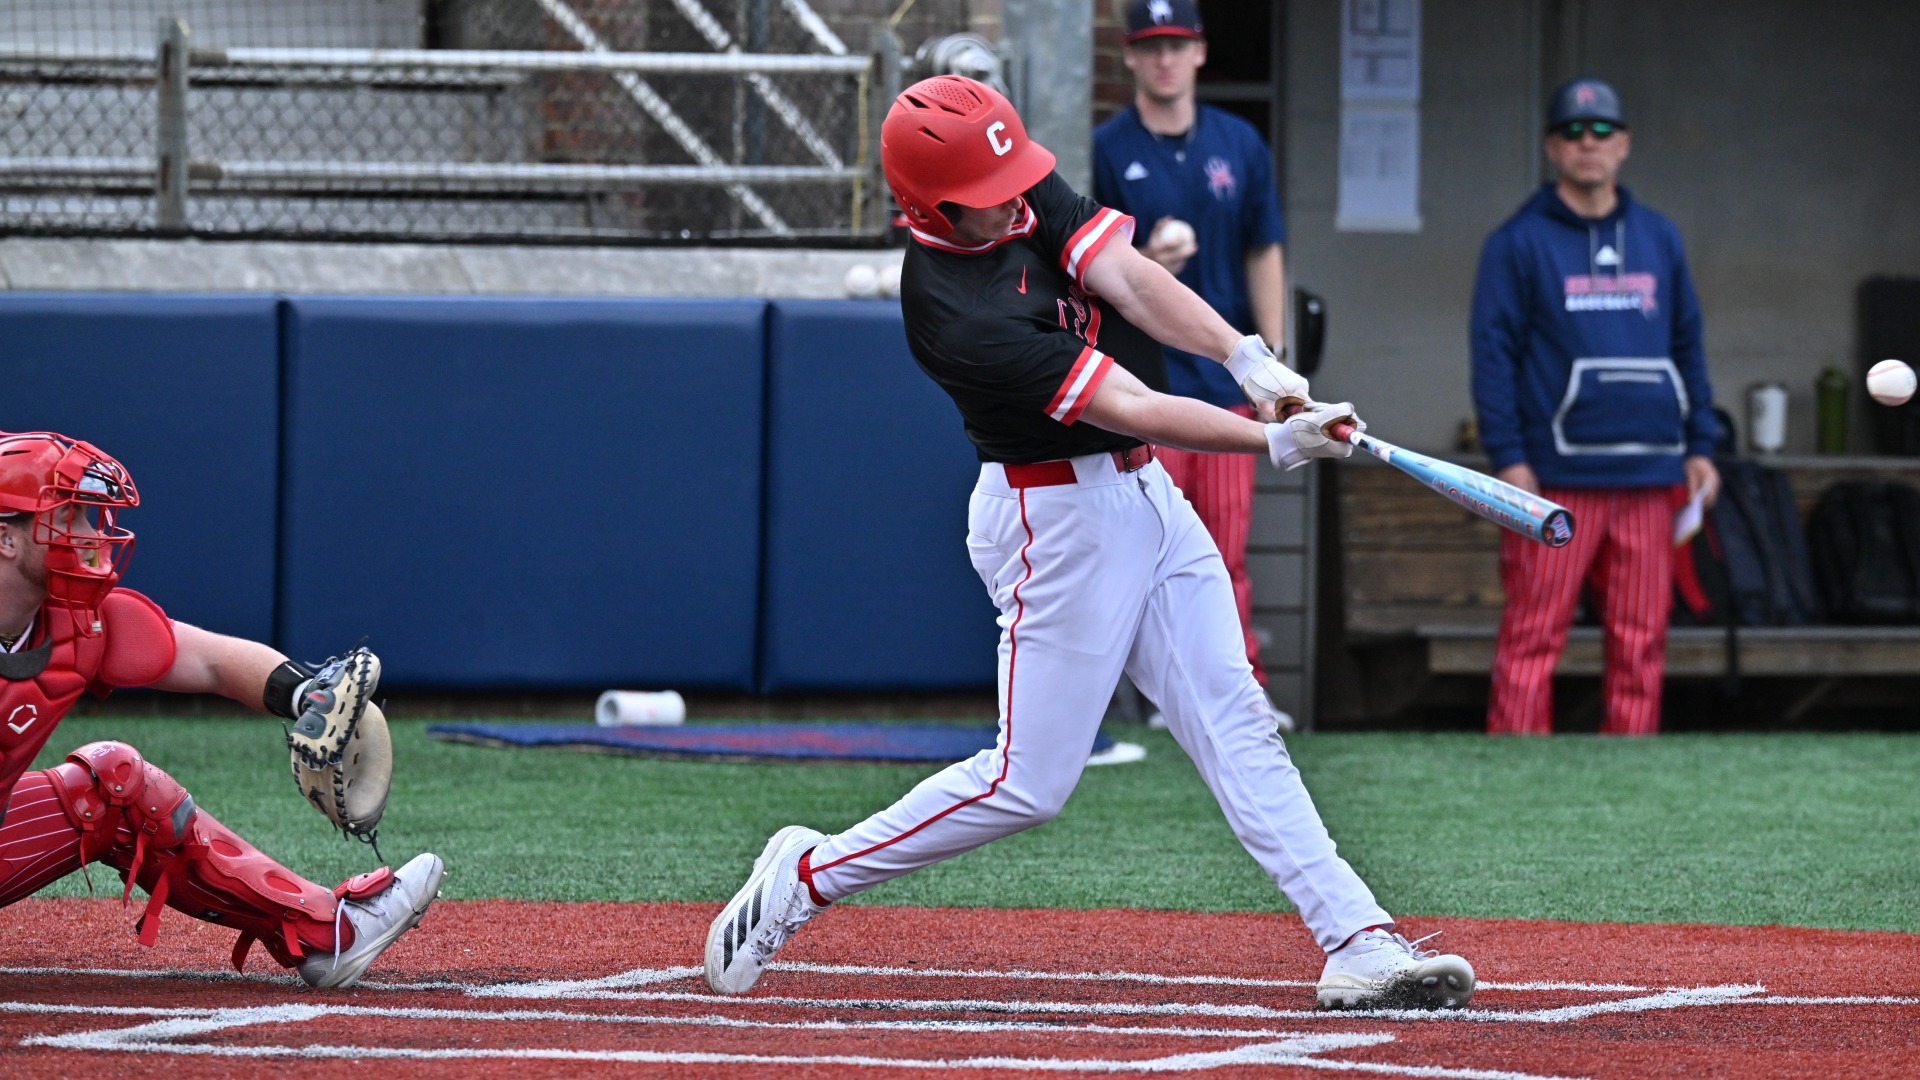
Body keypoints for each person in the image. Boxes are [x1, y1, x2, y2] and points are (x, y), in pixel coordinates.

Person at [703, 76, 1476, 1012]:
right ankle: (809, 874)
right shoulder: (960, 313)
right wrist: (1269, 435)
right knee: (1028, 784)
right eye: (991, 192)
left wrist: (1247, 359)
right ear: (931, 203)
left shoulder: (1015, 187)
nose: (1018, 195)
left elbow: (1131, 279)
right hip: (1054, 524)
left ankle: (1356, 937)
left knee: (1235, 721)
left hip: (1144, 495)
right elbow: (1133, 401)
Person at [0, 430, 443, 987]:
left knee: (116, 781)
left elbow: (209, 659)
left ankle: (330, 934)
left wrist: (309, 696)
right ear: (6, 539)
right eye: (70, 517)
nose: (93, 535)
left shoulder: (76, 621)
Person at [1470, 78, 1720, 736]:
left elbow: (1689, 344)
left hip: (1650, 472)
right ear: (1553, 147)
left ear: (1625, 144)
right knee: (1532, 636)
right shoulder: (1516, 242)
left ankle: (1630, 782)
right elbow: (1492, 355)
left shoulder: (1660, 237)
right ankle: (1516, 780)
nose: (1589, 144)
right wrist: (1510, 457)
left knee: (1641, 643)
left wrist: (1702, 445)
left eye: (1603, 131)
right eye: (1574, 133)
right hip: (1555, 479)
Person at [1092, 0, 1292, 730]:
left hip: (1226, 383)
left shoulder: (1239, 143)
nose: (1164, 60)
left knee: (1225, 554)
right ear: (1132, 58)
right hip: (1144, 387)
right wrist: (1145, 264)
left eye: (1176, 45)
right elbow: (1089, 269)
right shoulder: (1109, 147)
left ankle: (1243, 697)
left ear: (1201, 52)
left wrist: (1271, 359)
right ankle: (1159, 702)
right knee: (1145, 553)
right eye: (1150, 47)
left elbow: (1264, 247)